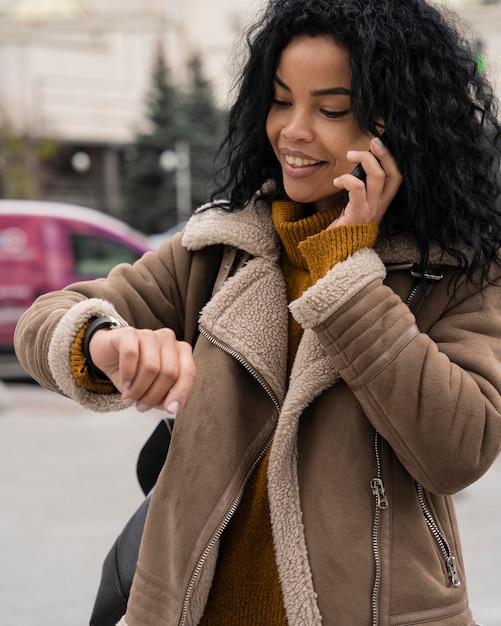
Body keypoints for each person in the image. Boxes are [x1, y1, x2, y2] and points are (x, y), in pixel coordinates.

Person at [14, 0, 501, 624]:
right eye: (279, 100)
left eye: (330, 109)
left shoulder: (456, 273)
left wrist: (348, 272)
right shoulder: (223, 250)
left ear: (398, 127)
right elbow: (48, 319)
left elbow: (459, 450)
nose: (294, 131)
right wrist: (104, 342)